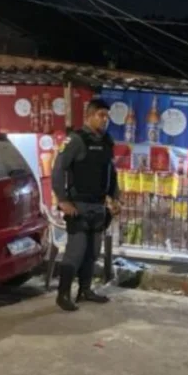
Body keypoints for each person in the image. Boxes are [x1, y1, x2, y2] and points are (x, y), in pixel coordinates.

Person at [50, 99, 121, 312]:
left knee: (92, 252)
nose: (105, 120)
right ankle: (63, 295)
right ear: (89, 116)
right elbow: (58, 169)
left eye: (106, 116)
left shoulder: (107, 142)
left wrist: (114, 197)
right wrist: (63, 200)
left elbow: (111, 172)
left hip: (98, 206)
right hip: (78, 205)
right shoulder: (76, 140)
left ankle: (85, 290)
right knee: (76, 251)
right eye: (101, 115)